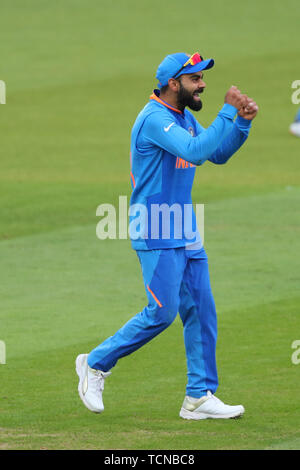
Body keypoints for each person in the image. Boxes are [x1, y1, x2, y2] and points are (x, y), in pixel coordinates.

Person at [76, 52, 259, 420]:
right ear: (174, 83)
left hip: (185, 227)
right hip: (156, 228)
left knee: (201, 311)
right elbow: (195, 153)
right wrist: (226, 111)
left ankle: (199, 396)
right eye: (195, 79)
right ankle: (95, 363)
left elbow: (217, 153)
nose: (202, 84)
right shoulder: (155, 119)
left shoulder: (182, 117)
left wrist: (240, 123)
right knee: (162, 313)